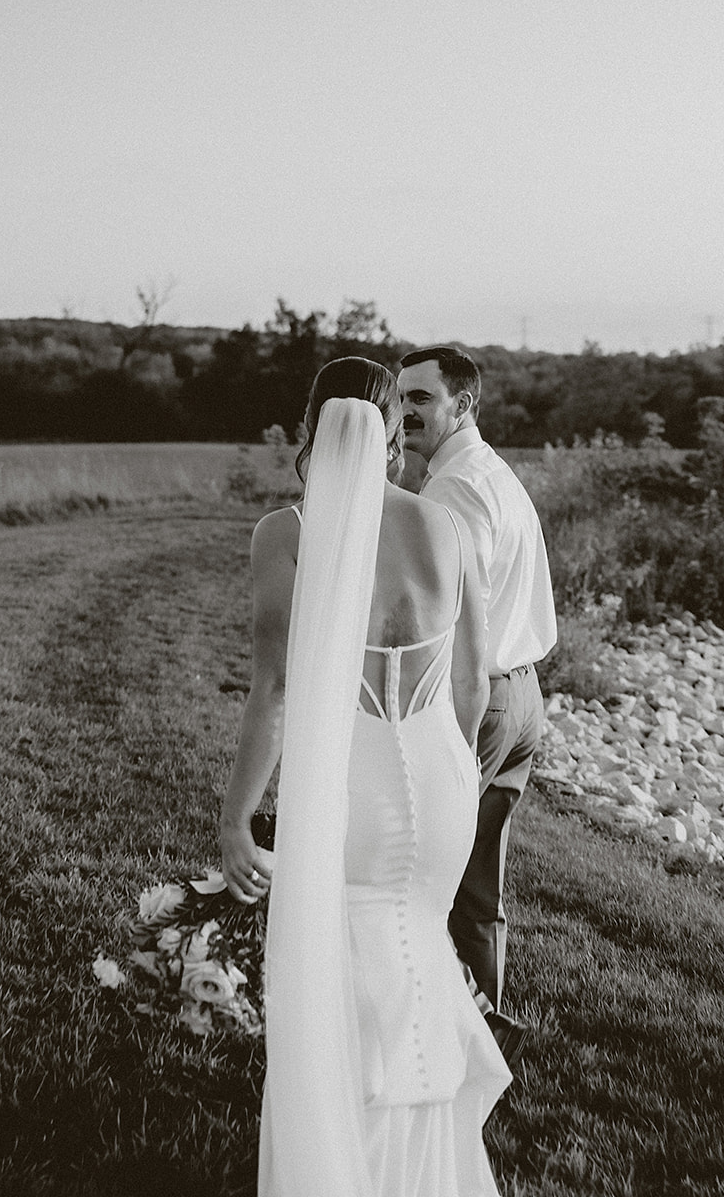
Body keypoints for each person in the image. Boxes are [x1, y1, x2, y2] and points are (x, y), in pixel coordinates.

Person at [219, 357, 511, 1197]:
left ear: (312, 427)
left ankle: (350, 1166)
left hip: (350, 781)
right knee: (415, 949)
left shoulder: (287, 533)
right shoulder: (442, 527)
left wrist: (238, 819)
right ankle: (425, 1168)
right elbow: (473, 678)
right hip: (439, 773)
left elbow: (273, 692)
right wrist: (449, 765)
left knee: (339, 973)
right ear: (391, 432)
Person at [397, 345, 557, 1034]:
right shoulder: (494, 473)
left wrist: (445, 737)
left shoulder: (454, 489)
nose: (404, 413)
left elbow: (447, 618)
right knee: (477, 890)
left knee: (428, 871)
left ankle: (443, 1030)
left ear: (462, 404)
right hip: (521, 699)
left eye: (421, 399)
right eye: (400, 398)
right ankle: (483, 1029)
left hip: (479, 701)